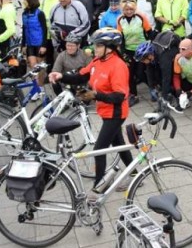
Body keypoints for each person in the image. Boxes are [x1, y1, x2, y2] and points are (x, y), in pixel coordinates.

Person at [48, 31, 134, 194]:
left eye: (99, 45)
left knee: (99, 149)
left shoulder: (118, 66)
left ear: (110, 48)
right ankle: (135, 173)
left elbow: (120, 95)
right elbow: (80, 76)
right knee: (118, 144)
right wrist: (61, 76)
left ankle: (99, 186)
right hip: (105, 111)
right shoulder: (97, 61)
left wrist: (96, 95)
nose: (94, 48)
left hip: (115, 114)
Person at [117, 0, 154, 106]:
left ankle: (154, 88)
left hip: (142, 49)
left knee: (141, 73)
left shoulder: (141, 17)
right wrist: (123, 52)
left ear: (134, 9)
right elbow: (121, 37)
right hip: (128, 50)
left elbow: (150, 32)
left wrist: (150, 47)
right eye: (126, 10)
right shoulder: (120, 20)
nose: (129, 12)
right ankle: (133, 95)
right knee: (129, 74)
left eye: (131, 9)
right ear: (122, 10)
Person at [135, 31, 181, 102]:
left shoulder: (163, 57)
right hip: (162, 57)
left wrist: (164, 98)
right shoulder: (151, 54)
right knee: (157, 76)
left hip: (173, 56)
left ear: (149, 56)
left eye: (142, 60)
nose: (142, 62)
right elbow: (149, 71)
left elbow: (166, 78)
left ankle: (179, 97)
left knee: (167, 78)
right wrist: (151, 88)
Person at [21, 0, 48, 70]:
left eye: (24, 0)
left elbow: (44, 29)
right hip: (29, 44)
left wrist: (44, 45)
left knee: (40, 68)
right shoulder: (24, 14)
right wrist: (23, 45)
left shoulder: (40, 13)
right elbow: (24, 29)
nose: (23, 2)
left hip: (39, 43)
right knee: (33, 66)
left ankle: (40, 82)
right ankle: (35, 82)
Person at [40, 0, 59, 69]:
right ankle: (49, 72)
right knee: (48, 54)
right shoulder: (44, 0)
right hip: (46, 32)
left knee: (58, 53)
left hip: (56, 32)